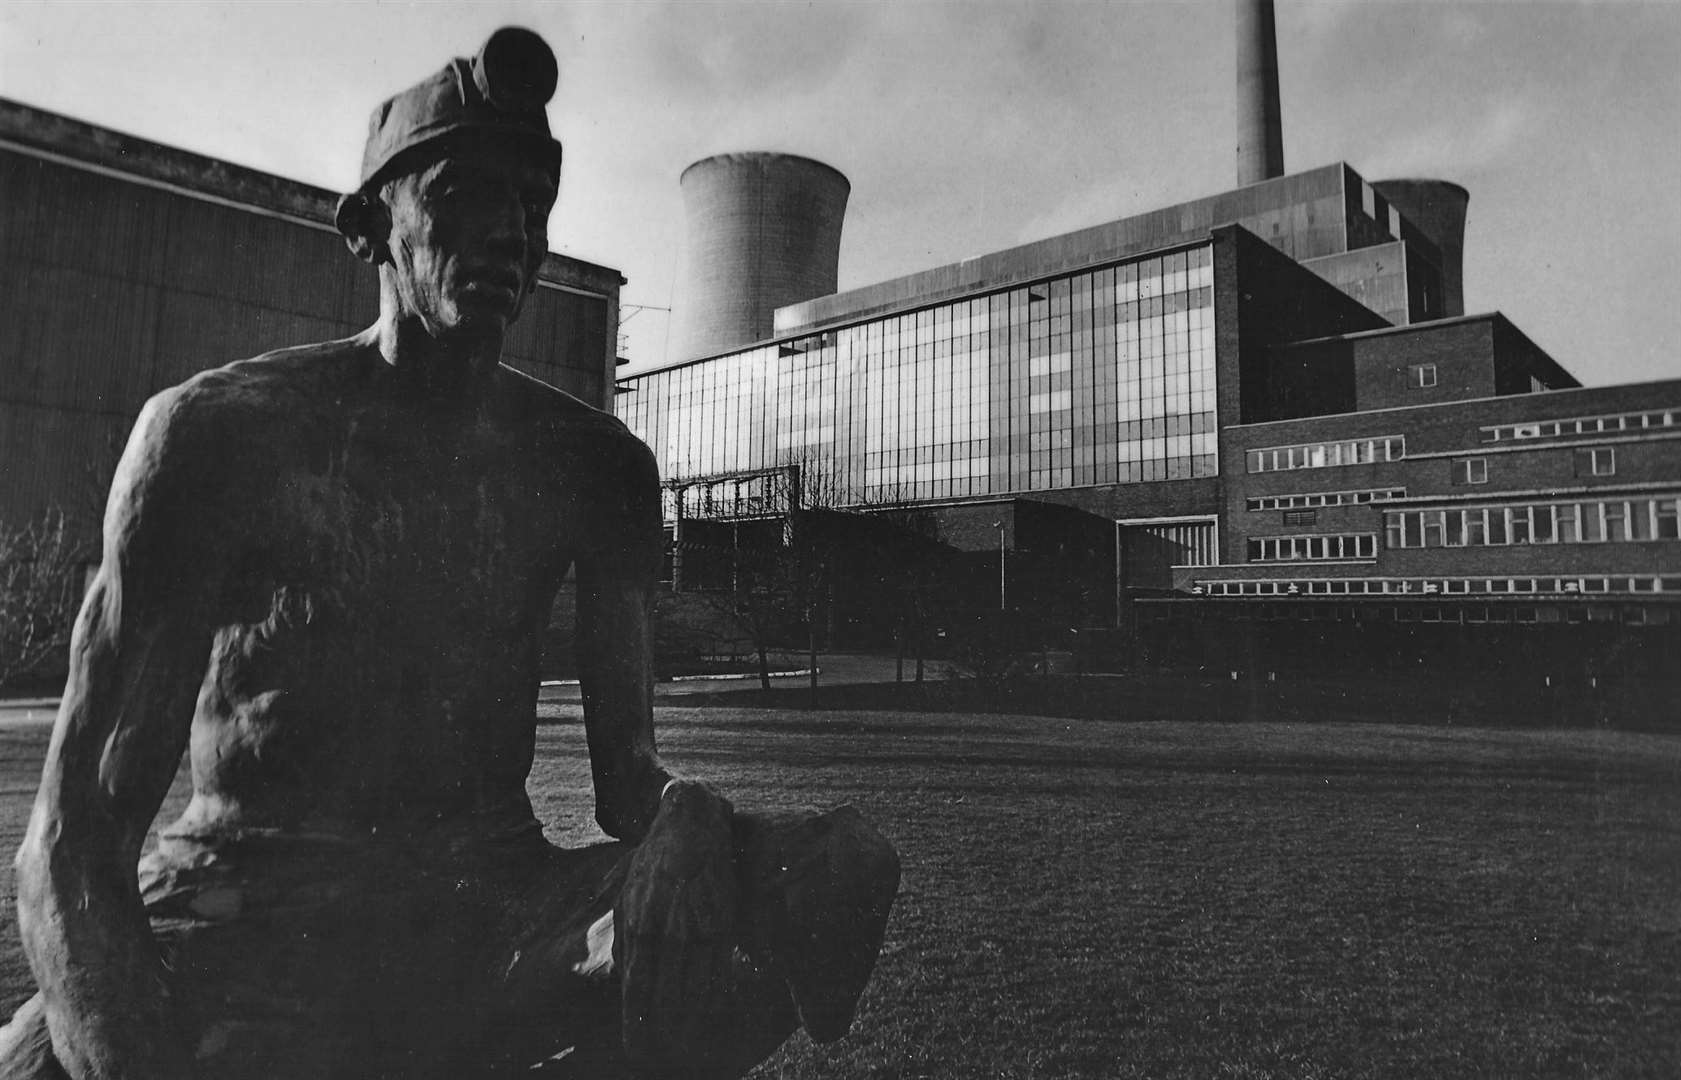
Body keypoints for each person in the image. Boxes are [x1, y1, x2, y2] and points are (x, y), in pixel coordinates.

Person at [0, 28, 898, 1080]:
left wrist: (688, 815)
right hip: (246, 906)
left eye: (532, 205)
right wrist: (118, 1045)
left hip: (484, 908)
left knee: (837, 867)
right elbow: (70, 840)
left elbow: (626, 784)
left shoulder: (593, 466)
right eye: (464, 192)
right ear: (368, 225)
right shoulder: (218, 434)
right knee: (40, 1064)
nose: (511, 233)